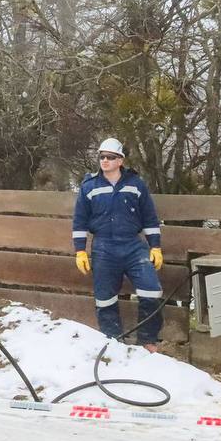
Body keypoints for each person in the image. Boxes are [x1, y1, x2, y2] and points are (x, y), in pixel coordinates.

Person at [72, 137, 164, 351]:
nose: (105, 160)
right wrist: (80, 252)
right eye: (102, 157)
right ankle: (113, 341)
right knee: (105, 298)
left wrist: (155, 247)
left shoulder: (136, 185)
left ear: (120, 160)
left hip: (133, 245)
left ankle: (147, 340)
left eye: (110, 157)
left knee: (151, 289)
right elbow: (79, 222)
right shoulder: (89, 187)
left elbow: (150, 219)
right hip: (103, 247)